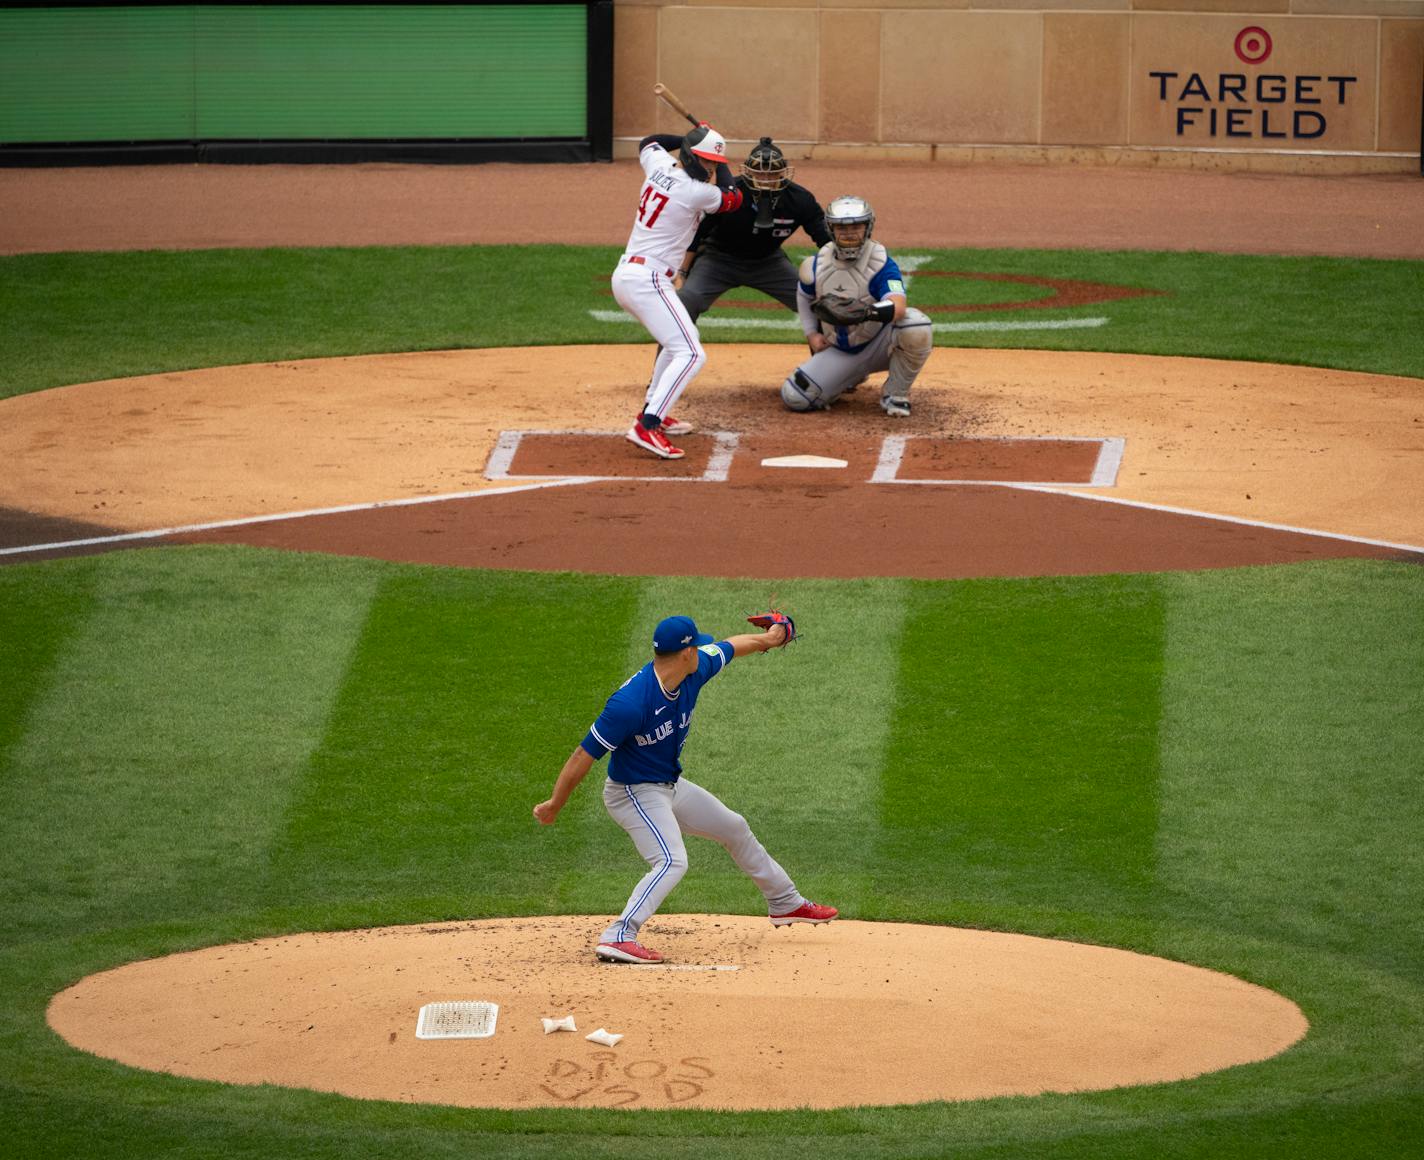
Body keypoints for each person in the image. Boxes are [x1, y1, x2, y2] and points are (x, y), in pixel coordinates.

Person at [532, 614, 838, 965]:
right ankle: (618, 935)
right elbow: (582, 755)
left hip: (668, 785)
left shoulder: (695, 668)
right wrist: (556, 803)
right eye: (697, 645)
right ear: (685, 653)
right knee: (671, 860)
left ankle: (784, 901)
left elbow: (735, 646)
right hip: (631, 793)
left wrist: (772, 637)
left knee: (733, 827)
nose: (703, 649)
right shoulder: (631, 703)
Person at [613, 125, 744, 461]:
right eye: (708, 162)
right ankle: (647, 426)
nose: (712, 169)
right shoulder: (695, 191)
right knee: (692, 353)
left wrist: (690, 139)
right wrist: (720, 157)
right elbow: (733, 197)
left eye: (714, 164)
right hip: (647, 279)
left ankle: (653, 408)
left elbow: (649, 142)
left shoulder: (658, 166)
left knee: (680, 344)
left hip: (632, 274)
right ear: (690, 156)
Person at [779, 195, 934, 418]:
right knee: (795, 397)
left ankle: (896, 394)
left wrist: (866, 312)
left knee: (915, 325)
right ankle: (849, 376)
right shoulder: (815, 265)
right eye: (841, 227)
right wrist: (811, 334)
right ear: (830, 229)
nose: (849, 232)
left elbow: (898, 307)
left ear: (867, 226)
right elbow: (803, 297)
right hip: (840, 351)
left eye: (856, 226)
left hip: (879, 346)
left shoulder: (881, 264)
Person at [674, 136, 832, 333]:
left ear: (783, 173)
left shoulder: (799, 200)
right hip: (718, 259)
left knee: (820, 306)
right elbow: (696, 233)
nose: (765, 180)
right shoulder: (728, 194)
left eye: (772, 174)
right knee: (685, 301)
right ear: (748, 172)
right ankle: (672, 362)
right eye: (759, 174)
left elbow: (824, 239)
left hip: (768, 262)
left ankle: (825, 361)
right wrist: (681, 273)